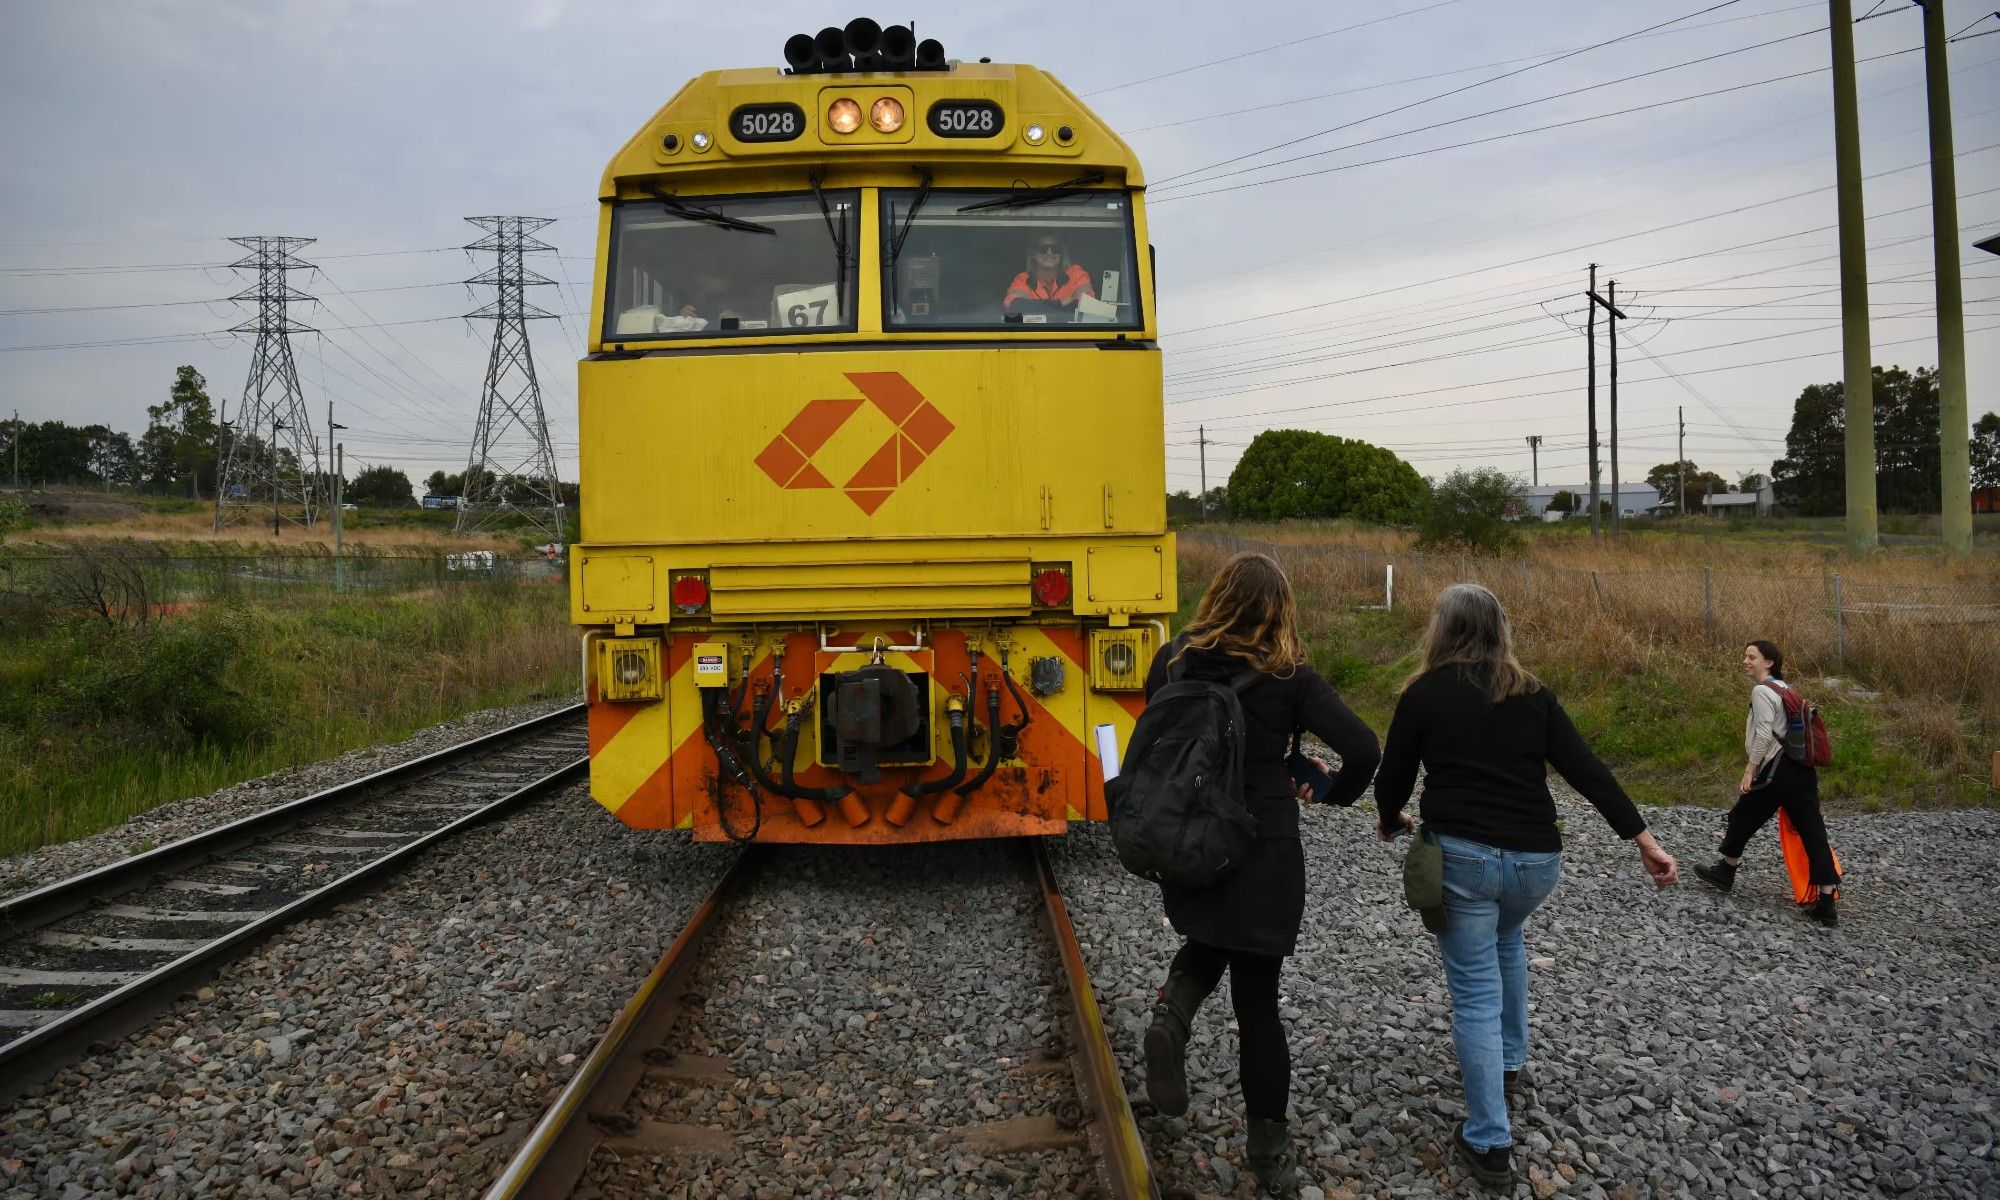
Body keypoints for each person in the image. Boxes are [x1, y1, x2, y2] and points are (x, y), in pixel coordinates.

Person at [1373, 584, 1678, 1192]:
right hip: (1536, 865)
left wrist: (1390, 819)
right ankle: (1511, 1060)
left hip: (1461, 860)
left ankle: (1489, 1141)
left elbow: (1394, 780)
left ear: (1442, 629)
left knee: (1474, 994)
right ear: (1499, 629)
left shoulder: (1423, 693)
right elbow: (1587, 769)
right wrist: (1643, 839)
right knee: (1507, 939)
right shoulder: (1531, 693)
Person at [1138, 551, 1380, 1197]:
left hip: (1188, 834)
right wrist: (1330, 790)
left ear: (1217, 596)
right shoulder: (1289, 674)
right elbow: (1363, 749)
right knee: (1258, 1003)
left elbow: (1157, 733)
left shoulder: (1174, 659)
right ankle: (1268, 1152)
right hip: (1260, 842)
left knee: (1211, 933)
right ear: (1280, 608)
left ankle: (1174, 1018)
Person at [1693, 640, 1840, 925]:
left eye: (1752, 657)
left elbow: (1763, 736)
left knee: (1742, 815)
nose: (1745, 661)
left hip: (1777, 769)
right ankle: (1826, 900)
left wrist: (1750, 770)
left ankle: (1725, 871)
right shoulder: (1786, 689)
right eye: (1745, 655)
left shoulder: (1762, 691)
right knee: (1813, 832)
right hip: (1802, 771)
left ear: (1769, 662)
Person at [1001, 235, 1094, 311]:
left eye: (1055, 249)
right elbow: (1016, 306)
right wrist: (1060, 303)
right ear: (1034, 254)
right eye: (1043, 248)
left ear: (1061, 254)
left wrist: (1036, 308)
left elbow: (1086, 306)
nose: (1049, 253)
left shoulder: (1076, 274)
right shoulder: (1022, 280)